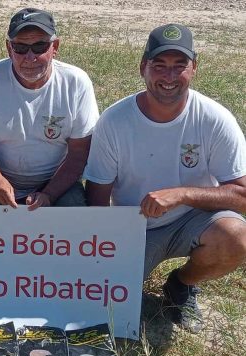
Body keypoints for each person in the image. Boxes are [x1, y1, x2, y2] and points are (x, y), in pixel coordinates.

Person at [84, 24, 246, 333]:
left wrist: (183, 195)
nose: (169, 77)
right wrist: (104, 252)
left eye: (179, 66)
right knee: (99, 308)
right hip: (134, 228)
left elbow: (243, 195)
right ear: (143, 67)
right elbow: (96, 195)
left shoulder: (214, 118)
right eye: (159, 66)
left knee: (236, 236)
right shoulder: (115, 121)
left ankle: (182, 284)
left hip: (193, 221)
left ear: (194, 68)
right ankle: (129, 275)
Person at [0, 8, 99, 210]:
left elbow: (79, 153)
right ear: (9, 49)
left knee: (73, 209)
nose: (29, 57)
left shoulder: (76, 83)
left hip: (53, 180)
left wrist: (49, 194)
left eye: (39, 46)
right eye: (20, 47)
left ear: (55, 47)